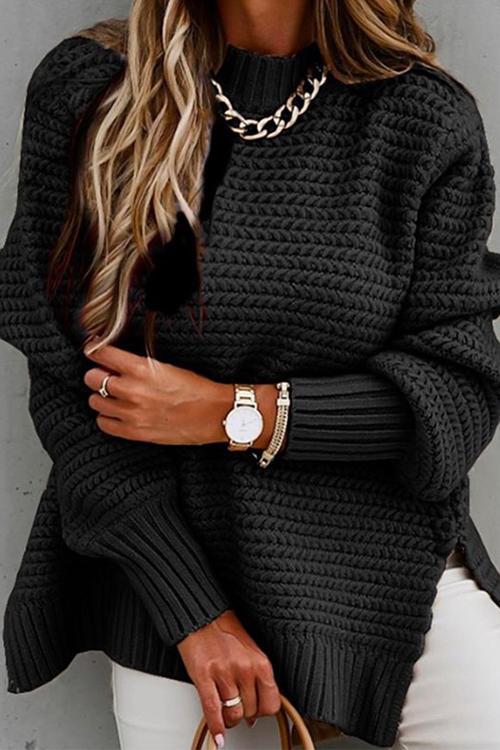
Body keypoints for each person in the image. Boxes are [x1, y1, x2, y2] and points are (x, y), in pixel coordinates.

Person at [1, 1, 500, 748]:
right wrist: (196, 615)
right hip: (172, 571)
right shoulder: (95, 91)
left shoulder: (420, 118)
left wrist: (237, 413)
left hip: (380, 565)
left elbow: (456, 395)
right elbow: (70, 396)